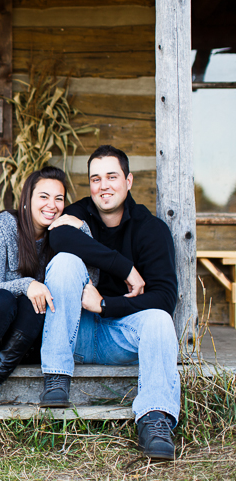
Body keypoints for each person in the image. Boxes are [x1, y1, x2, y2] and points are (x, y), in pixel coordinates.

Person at [39, 145, 180, 460]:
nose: (103, 186)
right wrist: (125, 267)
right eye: (95, 178)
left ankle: (154, 418)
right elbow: (58, 237)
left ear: (128, 181)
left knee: (160, 320)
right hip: (75, 331)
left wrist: (105, 306)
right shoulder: (79, 213)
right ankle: (56, 377)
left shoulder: (151, 229)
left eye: (112, 177)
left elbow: (164, 298)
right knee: (64, 263)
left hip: (119, 336)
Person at [0, 166, 97, 407]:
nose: (52, 205)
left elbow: (89, 282)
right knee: (3, 298)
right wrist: (28, 284)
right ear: (27, 200)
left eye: (59, 199)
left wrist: (82, 230)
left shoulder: (61, 236)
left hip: (28, 337)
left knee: (35, 305)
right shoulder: (1, 227)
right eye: (44, 197)